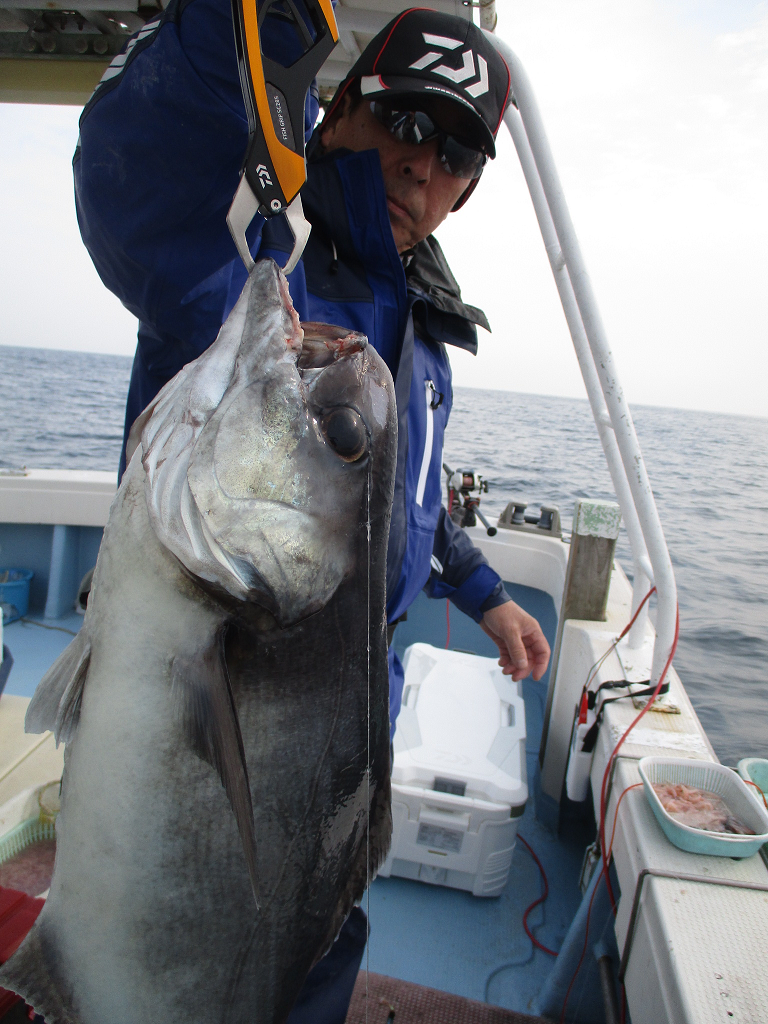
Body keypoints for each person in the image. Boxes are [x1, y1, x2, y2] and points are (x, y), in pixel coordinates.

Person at [74, 4, 551, 1021]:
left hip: (347, 708)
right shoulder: (257, 266)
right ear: (337, 111)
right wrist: (221, 23)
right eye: (410, 123)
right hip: (232, 665)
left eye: (461, 151)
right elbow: (139, 185)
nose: (426, 168)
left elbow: (404, 501)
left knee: (311, 939)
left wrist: (487, 592)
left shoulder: (423, 334)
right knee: (173, 927)